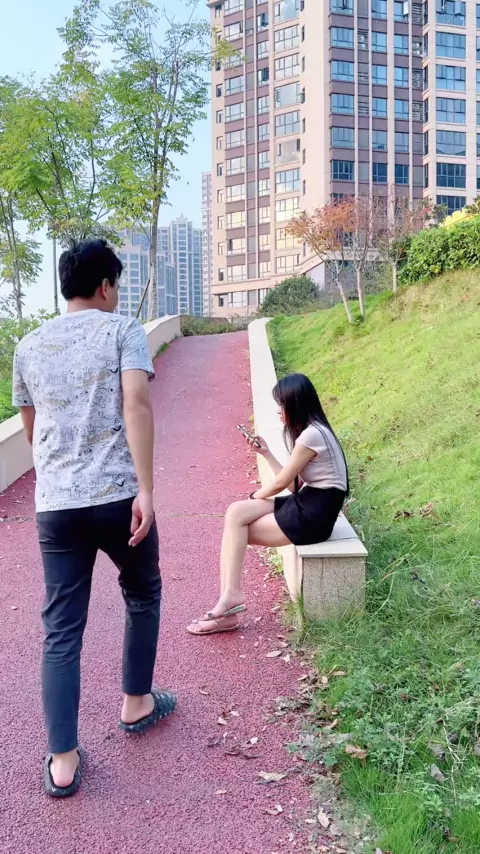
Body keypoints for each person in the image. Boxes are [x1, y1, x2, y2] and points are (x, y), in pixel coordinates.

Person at [12, 239, 176, 798]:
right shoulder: (122, 330)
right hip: (118, 498)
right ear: (105, 286)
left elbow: (31, 431)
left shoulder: (28, 345)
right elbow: (137, 405)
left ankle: (62, 761)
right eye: (116, 286)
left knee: (61, 629)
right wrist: (147, 489)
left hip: (56, 506)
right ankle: (136, 703)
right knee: (142, 591)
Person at [187, 373, 348, 636]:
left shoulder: (311, 435)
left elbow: (280, 483)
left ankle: (229, 605)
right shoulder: (314, 430)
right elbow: (294, 485)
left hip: (314, 515)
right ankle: (230, 598)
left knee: (238, 531)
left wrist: (256, 495)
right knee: (235, 513)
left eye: (282, 404)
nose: (278, 410)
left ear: (296, 404)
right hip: (307, 501)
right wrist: (266, 453)